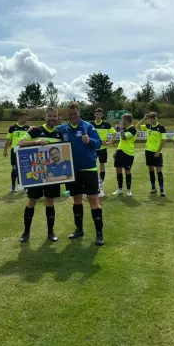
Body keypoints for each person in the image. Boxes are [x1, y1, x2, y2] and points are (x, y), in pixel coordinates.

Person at [58, 102, 104, 246]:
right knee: (76, 200)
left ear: (79, 112)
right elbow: (48, 131)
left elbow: (99, 143)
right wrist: (34, 129)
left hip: (89, 169)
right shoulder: (63, 128)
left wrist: (90, 140)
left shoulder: (88, 127)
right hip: (72, 171)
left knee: (93, 200)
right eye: (70, 114)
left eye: (75, 114)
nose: (72, 116)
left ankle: (99, 233)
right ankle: (79, 229)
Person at [17, 107, 64, 243]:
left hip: (52, 174)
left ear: (57, 117)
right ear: (45, 116)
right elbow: (20, 143)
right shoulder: (35, 130)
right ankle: (26, 232)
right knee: (32, 201)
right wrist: (37, 142)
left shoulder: (59, 133)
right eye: (50, 116)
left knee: (50, 201)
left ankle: (50, 232)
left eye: (54, 116)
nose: (52, 119)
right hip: (36, 174)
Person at [135, 112, 167, 196]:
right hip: (148, 151)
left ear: (157, 118)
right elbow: (136, 127)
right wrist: (144, 118)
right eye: (151, 119)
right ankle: (153, 188)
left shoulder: (161, 128)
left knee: (159, 170)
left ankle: (162, 189)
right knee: (151, 170)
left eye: (154, 118)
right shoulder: (148, 126)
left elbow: (164, 141)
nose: (152, 120)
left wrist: (158, 151)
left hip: (157, 152)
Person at [92, 108, 117, 197]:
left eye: (100, 114)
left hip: (102, 149)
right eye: (97, 114)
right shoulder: (91, 125)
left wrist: (109, 142)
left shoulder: (106, 125)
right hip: (92, 149)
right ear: (94, 115)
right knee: (92, 168)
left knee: (102, 168)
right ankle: (92, 187)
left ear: (102, 115)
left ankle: (101, 187)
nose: (98, 116)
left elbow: (115, 133)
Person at [4, 112, 30, 193]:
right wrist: (5, 150)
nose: (26, 120)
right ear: (20, 117)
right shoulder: (12, 128)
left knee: (25, 169)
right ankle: (13, 186)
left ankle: (24, 186)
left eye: (27, 118)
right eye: (25, 118)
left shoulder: (28, 128)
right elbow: (8, 140)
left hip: (24, 151)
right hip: (15, 151)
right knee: (14, 169)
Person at [112, 113, 137, 197]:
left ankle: (128, 190)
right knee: (118, 170)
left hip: (128, 153)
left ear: (126, 121)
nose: (121, 122)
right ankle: (120, 189)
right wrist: (116, 151)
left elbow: (123, 137)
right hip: (120, 152)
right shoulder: (125, 128)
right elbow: (121, 141)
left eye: (122, 120)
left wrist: (122, 129)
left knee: (127, 171)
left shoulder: (132, 129)